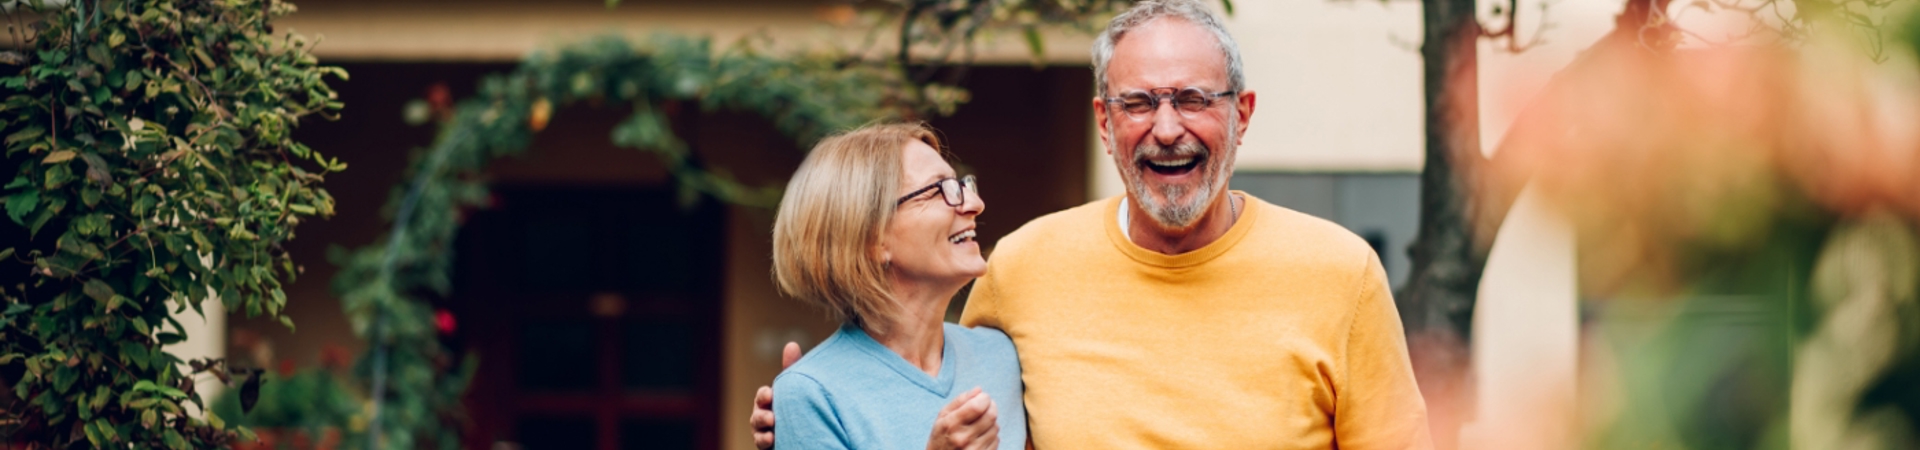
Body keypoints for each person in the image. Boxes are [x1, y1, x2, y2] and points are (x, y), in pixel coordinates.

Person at [755, 1, 1432, 448]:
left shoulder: (1339, 272)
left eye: (1194, 99)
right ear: (1106, 124)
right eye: (1138, 103)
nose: (1167, 129)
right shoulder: (1022, 267)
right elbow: (904, 376)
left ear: (1242, 115)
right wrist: (805, 416)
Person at [766, 122, 1025, 450]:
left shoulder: (1004, 356)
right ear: (872, 238)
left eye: (961, 184)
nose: (974, 203)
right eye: (937, 189)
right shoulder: (812, 394)